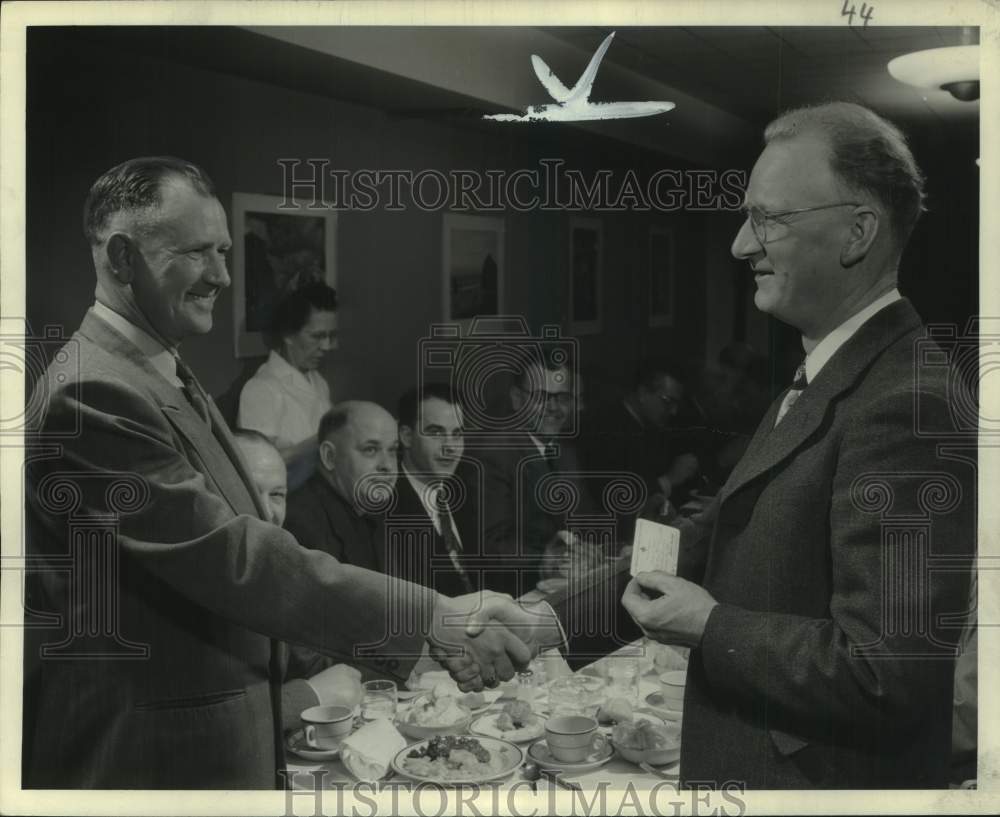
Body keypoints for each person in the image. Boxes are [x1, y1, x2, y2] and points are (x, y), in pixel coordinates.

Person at [21, 157, 555, 789]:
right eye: (197, 253)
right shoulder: (91, 392)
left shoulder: (155, 367)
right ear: (120, 258)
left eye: (224, 251)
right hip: (157, 760)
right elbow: (235, 559)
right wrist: (433, 616)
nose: (222, 275)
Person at [622, 103, 974, 789]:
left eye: (768, 218)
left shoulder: (909, 399)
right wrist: (549, 617)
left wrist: (710, 624)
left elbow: (886, 672)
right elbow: (717, 531)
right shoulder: (831, 367)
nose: (739, 245)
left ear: (856, 232)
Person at [232, 430, 363, 729]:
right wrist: (309, 695)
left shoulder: (278, 573)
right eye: (248, 491)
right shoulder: (186, 583)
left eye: (277, 494)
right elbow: (202, 725)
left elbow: (319, 663)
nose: (267, 511)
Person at [466, 351, 601, 597]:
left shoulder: (565, 450)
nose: (552, 407)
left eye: (562, 397)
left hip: (567, 585)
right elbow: (490, 545)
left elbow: (587, 520)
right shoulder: (493, 453)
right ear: (517, 399)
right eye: (540, 397)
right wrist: (544, 559)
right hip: (515, 593)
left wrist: (591, 550)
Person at [581, 358, 701, 535]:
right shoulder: (605, 428)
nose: (674, 411)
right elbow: (610, 496)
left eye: (677, 404)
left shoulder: (653, 426)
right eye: (667, 401)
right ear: (643, 393)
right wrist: (668, 480)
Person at [237, 281, 338, 489]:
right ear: (288, 334)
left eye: (331, 336)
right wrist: (324, 440)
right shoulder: (261, 389)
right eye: (317, 336)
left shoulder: (318, 382)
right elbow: (256, 472)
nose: (327, 346)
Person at [284, 401, 398, 572]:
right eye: (370, 450)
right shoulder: (299, 524)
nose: (387, 465)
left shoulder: (378, 511)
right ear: (329, 456)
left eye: (392, 450)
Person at [392, 383, 479, 597]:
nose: (450, 446)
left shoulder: (467, 488)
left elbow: (488, 575)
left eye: (457, 434)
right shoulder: (386, 503)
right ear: (406, 436)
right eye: (436, 432)